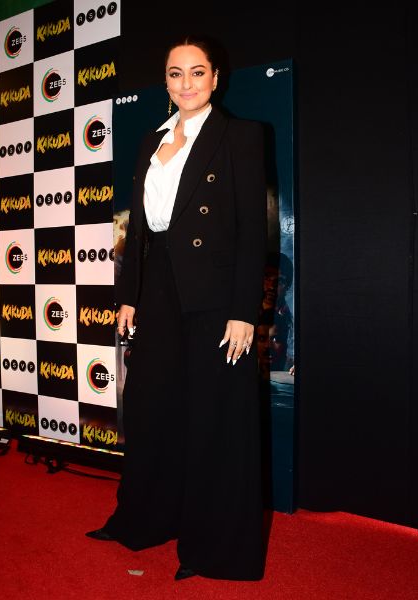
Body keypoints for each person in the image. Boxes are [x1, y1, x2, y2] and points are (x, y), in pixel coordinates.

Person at [85, 34, 267, 582]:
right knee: (151, 408)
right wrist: (129, 295)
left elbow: (250, 231)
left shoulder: (241, 136)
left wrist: (244, 310)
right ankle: (144, 519)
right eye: (174, 73)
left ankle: (212, 548)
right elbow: (140, 229)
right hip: (159, 286)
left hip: (215, 293)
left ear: (216, 78)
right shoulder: (151, 141)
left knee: (214, 417)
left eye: (197, 72)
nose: (186, 83)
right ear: (165, 82)